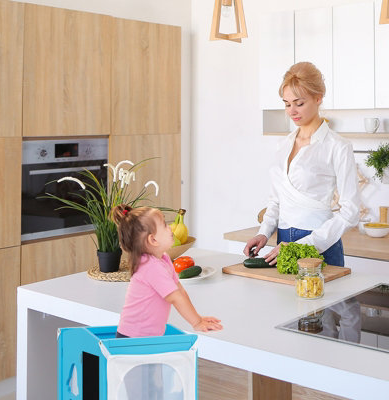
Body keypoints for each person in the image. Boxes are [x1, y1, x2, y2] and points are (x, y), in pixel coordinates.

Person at [244, 62, 360, 267]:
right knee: (285, 299)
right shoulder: (283, 144)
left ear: (318, 97)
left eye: (299, 103)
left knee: (325, 299)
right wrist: (263, 233)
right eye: (287, 104)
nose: (292, 111)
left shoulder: (338, 147)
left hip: (319, 244)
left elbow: (350, 213)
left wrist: (302, 245)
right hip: (282, 243)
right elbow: (276, 200)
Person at [112, 204, 223, 338]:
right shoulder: (150, 266)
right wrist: (196, 322)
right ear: (153, 239)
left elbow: (179, 290)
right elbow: (175, 298)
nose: (170, 228)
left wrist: (198, 318)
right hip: (133, 338)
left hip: (145, 337)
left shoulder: (163, 258)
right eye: (164, 225)